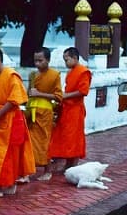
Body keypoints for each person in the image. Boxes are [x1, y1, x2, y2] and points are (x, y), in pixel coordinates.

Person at [0, 47, 36, 198]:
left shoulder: (11, 75)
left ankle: (3, 186)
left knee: (7, 154)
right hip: (1, 120)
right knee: (1, 154)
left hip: (11, 120)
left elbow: (14, 100)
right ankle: (3, 186)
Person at [47, 47, 91, 176]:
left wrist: (65, 96)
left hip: (76, 110)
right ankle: (67, 163)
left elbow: (83, 91)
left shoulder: (84, 72)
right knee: (66, 137)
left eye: (67, 60)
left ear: (75, 58)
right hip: (67, 109)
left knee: (75, 137)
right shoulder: (71, 72)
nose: (65, 63)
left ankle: (74, 165)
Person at [26, 47, 63, 181]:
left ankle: (48, 171)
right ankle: (29, 170)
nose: (37, 63)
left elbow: (59, 96)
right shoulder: (32, 75)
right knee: (30, 142)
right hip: (31, 111)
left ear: (48, 60)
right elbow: (28, 93)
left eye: (40, 60)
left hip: (45, 112)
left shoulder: (55, 75)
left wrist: (40, 94)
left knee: (44, 142)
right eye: (35, 60)